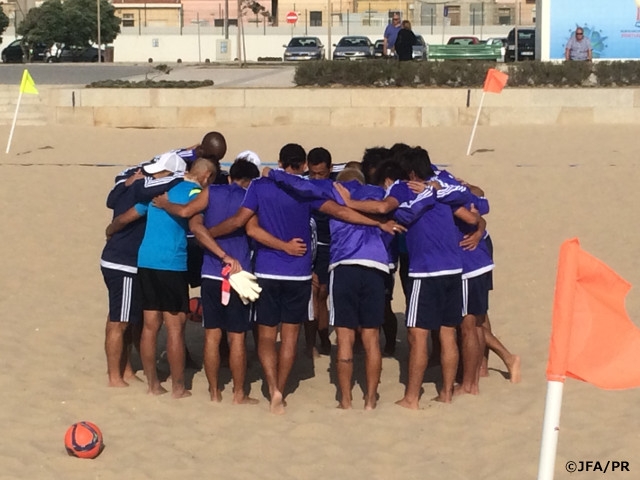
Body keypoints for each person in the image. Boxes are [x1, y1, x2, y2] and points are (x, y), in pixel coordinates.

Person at [205, 143, 400, 414]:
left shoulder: (261, 187)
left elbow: (245, 225)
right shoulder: (307, 190)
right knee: (290, 338)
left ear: (280, 162)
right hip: (297, 273)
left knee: (265, 337)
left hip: (267, 270)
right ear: (303, 165)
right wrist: (377, 224)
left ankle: (272, 386)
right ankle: (280, 391)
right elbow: (342, 212)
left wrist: (208, 234)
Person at [106, 155, 222, 398]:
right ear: (206, 177)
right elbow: (194, 219)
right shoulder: (194, 192)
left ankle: (153, 385)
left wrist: (111, 230)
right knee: (175, 327)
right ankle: (178, 388)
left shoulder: (160, 190)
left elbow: (127, 217)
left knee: (150, 326)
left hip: (145, 260)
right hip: (172, 263)